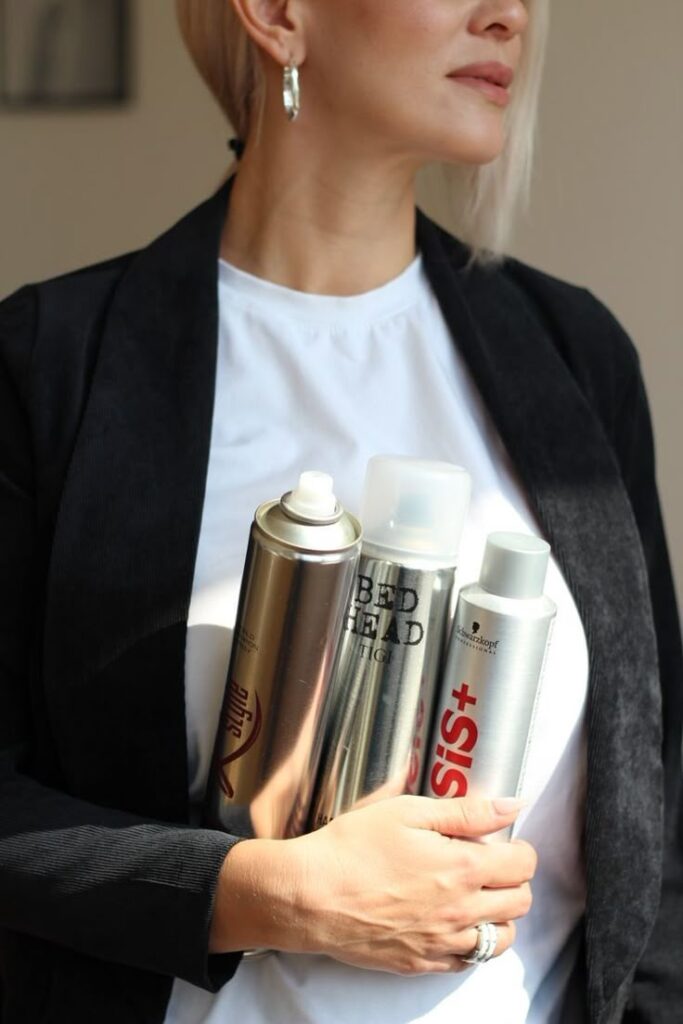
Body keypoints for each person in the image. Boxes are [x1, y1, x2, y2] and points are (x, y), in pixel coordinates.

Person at [0, 0, 681, 1022]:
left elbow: (659, 804)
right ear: (278, 13)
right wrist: (275, 895)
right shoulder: (49, 366)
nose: (509, 16)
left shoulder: (573, 354)